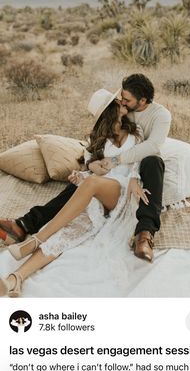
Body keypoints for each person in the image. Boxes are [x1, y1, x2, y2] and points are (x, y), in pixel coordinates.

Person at [0, 73, 171, 262]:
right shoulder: (123, 111)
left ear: (143, 100)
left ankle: (145, 235)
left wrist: (119, 164)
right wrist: (89, 166)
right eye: (120, 98)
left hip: (141, 164)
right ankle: (24, 224)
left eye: (126, 100)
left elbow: (152, 145)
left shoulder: (160, 115)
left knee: (154, 161)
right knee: (80, 185)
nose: (122, 102)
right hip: (109, 173)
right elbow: (100, 138)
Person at [0, 89, 150, 297]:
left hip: (123, 190)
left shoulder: (137, 132)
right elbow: (90, 170)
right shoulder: (97, 142)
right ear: (109, 109)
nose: (122, 102)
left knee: (90, 184)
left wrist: (132, 178)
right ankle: (16, 278)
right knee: (65, 233)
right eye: (117, 101)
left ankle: (35, 239)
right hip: (99, 194)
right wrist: (80, 177)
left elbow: (141, 160)